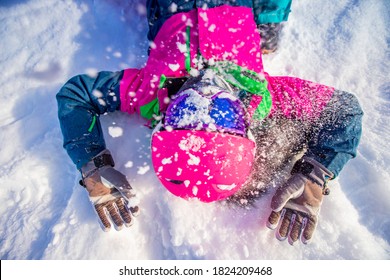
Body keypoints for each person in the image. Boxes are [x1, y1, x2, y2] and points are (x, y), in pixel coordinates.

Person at [56, 0, 363, 245]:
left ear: (163, 122)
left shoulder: (151, 93)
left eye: (185, 112)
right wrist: (315, 172)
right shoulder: (259, 96)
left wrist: (92, 162)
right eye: (222, 115)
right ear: (245, 126)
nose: (204, 92)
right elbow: (345, 110)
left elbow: (76, 95)